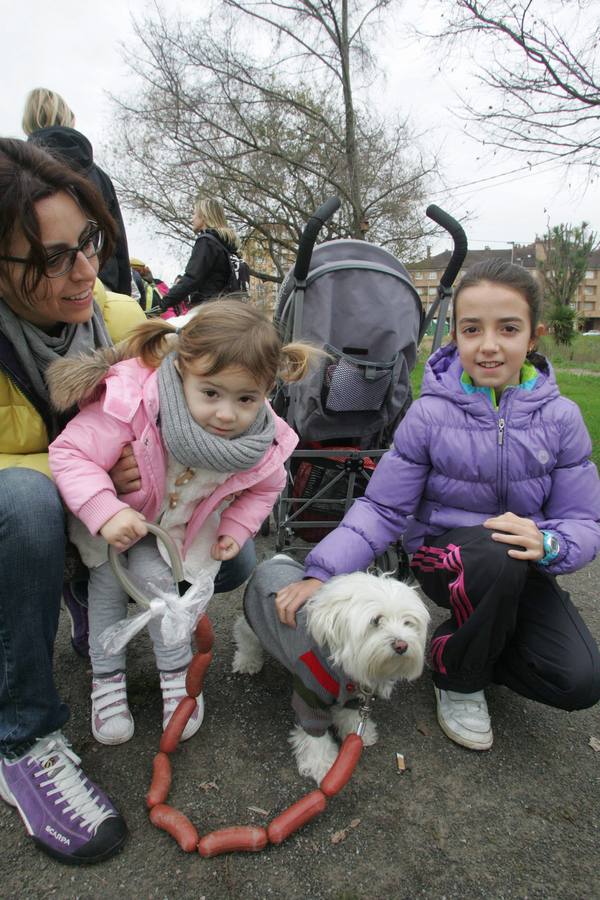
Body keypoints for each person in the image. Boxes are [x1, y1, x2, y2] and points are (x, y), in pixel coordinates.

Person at [268, 258, 600, 752]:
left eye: (508, 328)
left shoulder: (562, 418)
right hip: (444, 560)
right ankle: (458, 678)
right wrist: (319, 570)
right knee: (494, 549)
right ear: (455, 337)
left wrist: (550, 542)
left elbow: (582, 521)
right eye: (472, 329)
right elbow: (381, 510)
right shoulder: (428, 415)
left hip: (520, 566)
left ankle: (457, 648)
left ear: (533, 336)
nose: (489, 344)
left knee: (578, 682)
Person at [47, 300, 315, 747]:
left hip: (170, 535)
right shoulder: (135, 401)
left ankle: (176, 676)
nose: (226, 414)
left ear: (267, 392)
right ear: (182, 370)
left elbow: (266, 488)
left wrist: (236, 528)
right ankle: (107, 677)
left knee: (164, 594)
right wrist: (105, 510)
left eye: (246, 398)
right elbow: (71, 453)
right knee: (107, 595)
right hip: (113, 524)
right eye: (211, 393)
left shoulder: (260, 442)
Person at [0, 137, 147, 863]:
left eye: (88, 241)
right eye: (54, 257)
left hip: (85, 516)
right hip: (20, 511)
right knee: (25, 506)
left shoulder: (119, 319)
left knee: (236, 552)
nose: (86, 269)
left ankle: (93, 593)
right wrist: (81, 475)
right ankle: (22, 735)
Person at [22, 87, 132, 297]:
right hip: (104, 283)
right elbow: (116, 239)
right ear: (68, 118)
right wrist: (123, 295)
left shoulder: (17, 175)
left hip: (44, 288)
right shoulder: (99, 176)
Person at [159, 197, 244, 312]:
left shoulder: (206, 241)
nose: (192, 219)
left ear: (204, 216)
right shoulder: (226, 245)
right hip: (225, 308)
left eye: (194, 214)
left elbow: (192, 279)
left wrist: (163, 303)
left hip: (207, 308)